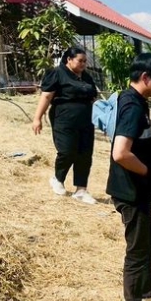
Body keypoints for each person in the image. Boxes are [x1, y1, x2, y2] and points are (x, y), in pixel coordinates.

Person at [106, 53, 151, 301]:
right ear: (146, 77)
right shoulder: (132, 106)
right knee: (137, 248)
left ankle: (147, 290)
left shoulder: (136, 101)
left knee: (149, 241)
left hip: (139, 191)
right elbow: (120, 153)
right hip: (130, 191)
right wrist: (146, 172)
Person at [32, 46, 99, 204]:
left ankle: (81, 189)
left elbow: (93, 98)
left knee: (84, 154)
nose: (83, 64)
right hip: (64, 119)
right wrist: (37, 118)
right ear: (69, 59)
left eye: (85, 61)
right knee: (67, 150)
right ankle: (58, 178)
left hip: (86, 121)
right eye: (80, 61)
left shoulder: (86, 77)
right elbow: (47, 96)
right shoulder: (58, 73)